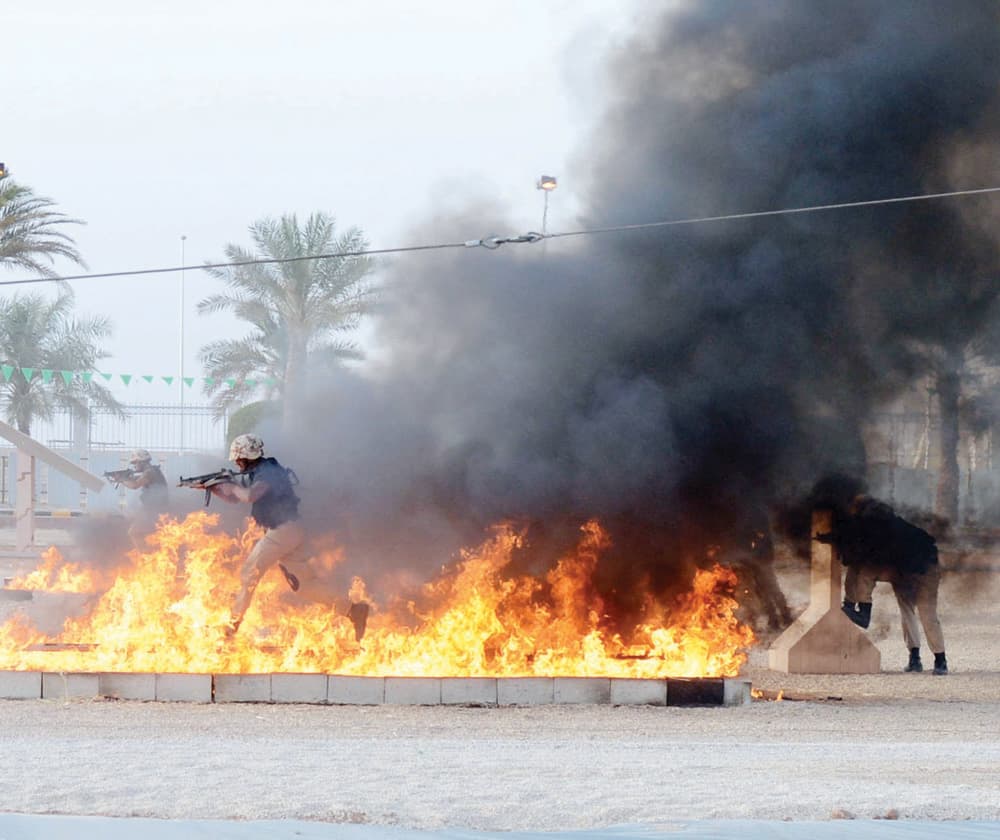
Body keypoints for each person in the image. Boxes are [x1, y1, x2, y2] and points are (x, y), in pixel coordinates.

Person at [208, 433, 369, 642]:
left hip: (282, 531)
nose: (237, 464)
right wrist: (217, 490)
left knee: (250, 573)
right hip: (290, 532)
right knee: (305, 586)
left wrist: (232, 487)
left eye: (238, 459)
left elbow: (249, 496)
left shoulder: (268, 472)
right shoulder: (261, 471)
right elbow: (237, 499)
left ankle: (230, 629)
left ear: (246, 456)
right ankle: (353, 610)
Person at [816, 494, 948, 675]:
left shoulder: (881, 527)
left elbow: (858, 539)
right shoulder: (882, 524)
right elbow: (856, 539)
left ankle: (940, 660)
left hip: (924, 571)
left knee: (927, 615)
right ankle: (914, 658)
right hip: (901, 569)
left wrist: (835, 538)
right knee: (906, 611)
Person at [115, 448, 168, 549]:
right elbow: (137, 480)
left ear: (142, 462)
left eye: (136, 463)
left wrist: (121, 479)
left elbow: (135, 485)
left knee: (134, 532)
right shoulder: (153, 471)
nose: (134, 466)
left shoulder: (150, 472)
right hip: (155, 509)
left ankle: (147, 556)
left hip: (154, 510)